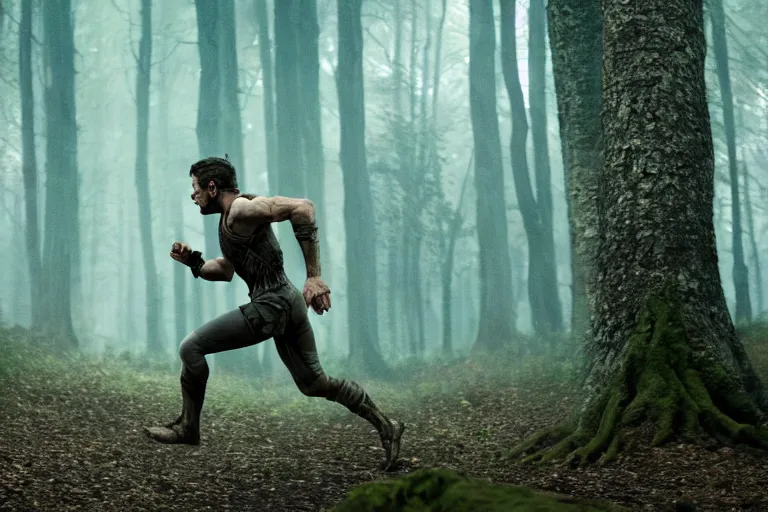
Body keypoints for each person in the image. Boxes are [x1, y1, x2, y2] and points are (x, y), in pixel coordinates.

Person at [143, 157, 405, 471]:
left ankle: (188, 427)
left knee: (190, 348)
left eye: (195, 188)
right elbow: (227, 269)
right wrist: (194, 263)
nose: (193, 195)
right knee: (314, 384)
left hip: (273, 305)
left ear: (212, 187)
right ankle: (386, 425)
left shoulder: (240, 209)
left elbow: (303, 208)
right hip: (287, 303)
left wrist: (314, 276)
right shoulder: (229, 219)